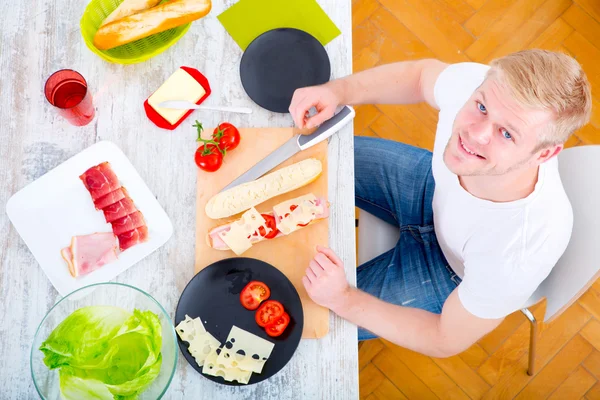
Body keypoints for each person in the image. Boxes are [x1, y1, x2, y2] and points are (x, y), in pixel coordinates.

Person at [289, 49, 592, 358]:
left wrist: (343, 298)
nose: (474, 135)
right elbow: (420, 76)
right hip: (432, 188)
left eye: (506, 134)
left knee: (300, 310)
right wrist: (337, 91)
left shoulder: (517, 252)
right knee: (308, 160)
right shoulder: (495, 90)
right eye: (481, 107)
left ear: (544, 154)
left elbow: (444, 338)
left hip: (451, 270)